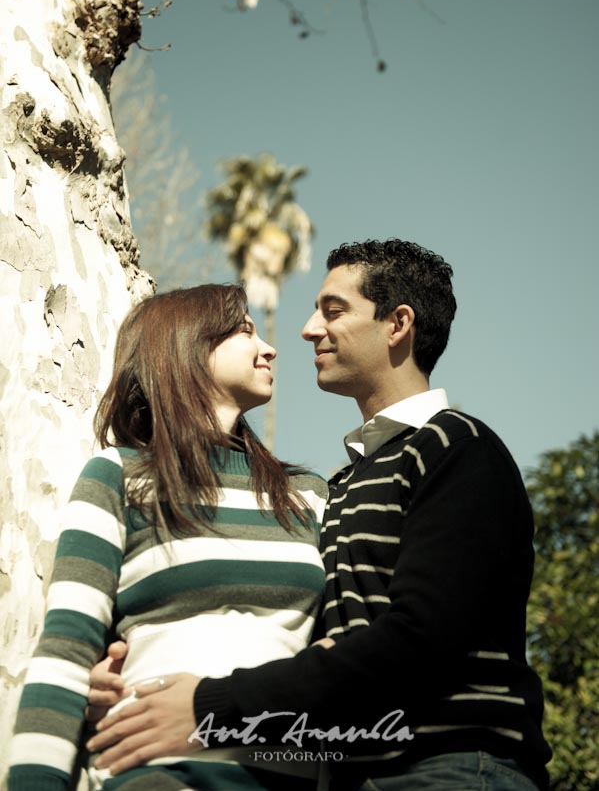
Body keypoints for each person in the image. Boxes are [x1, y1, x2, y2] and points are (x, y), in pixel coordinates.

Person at [84, 240, 552, 791]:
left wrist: (208, 707)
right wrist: (129, 674)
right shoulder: (341, 485)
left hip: (451, 766)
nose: (307, 330)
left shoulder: (458, 448)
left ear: (397, 324)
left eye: (333, 311)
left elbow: (419, 640)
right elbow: (307, 640)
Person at [8, 283, 329, 791]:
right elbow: (65, 653)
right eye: (245, 330)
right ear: (188, 346)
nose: (270, 347)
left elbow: (346, 658)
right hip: (153, 779)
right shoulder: (118, 476)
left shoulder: (306, 495)